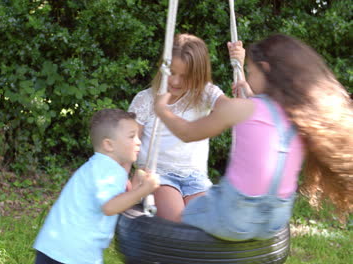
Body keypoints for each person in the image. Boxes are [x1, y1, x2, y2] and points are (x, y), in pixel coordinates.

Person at [154, 34, 352, 241]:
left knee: (178, 225)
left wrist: (162, 110)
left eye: (249, 72)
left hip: (233, 217)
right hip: (275, 221)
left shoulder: (242, 109)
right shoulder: (299, 115)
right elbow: (266, 114)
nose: (246, 77)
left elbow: (187, 133)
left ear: (264, 69)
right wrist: (243, 76)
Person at [128, 33, 236, 222]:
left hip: (195, 178)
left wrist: (239, 66)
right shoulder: (146, 100)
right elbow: (128, 145)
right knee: (179, 221)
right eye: (172, 73)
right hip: (157, 175)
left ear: (198, 77)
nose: (176, 82)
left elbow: (230, 109)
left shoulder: (203, 94)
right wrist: (126, 179)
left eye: (185, 76)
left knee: (207, 222)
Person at [32, 109, 160, 263]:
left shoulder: (101, 166)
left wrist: (137, 184)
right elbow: (110, 207)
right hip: (73, 252)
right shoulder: (107, 170)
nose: (139, 141)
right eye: (132, 136)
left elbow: (119, 198)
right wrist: (143, 190)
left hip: (57, 246)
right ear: (109, 145)